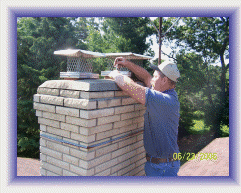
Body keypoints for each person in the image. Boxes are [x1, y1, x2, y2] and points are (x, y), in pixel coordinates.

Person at [109, 57, 181, 176]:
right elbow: (146, 77)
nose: (152, 80)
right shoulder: (164, 93)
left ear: (164, 80)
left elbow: (131, 87)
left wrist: (116, 75)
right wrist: (127, 64)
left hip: (163, 168)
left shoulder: (164, 100)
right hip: (159, 165)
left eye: (156, 77)